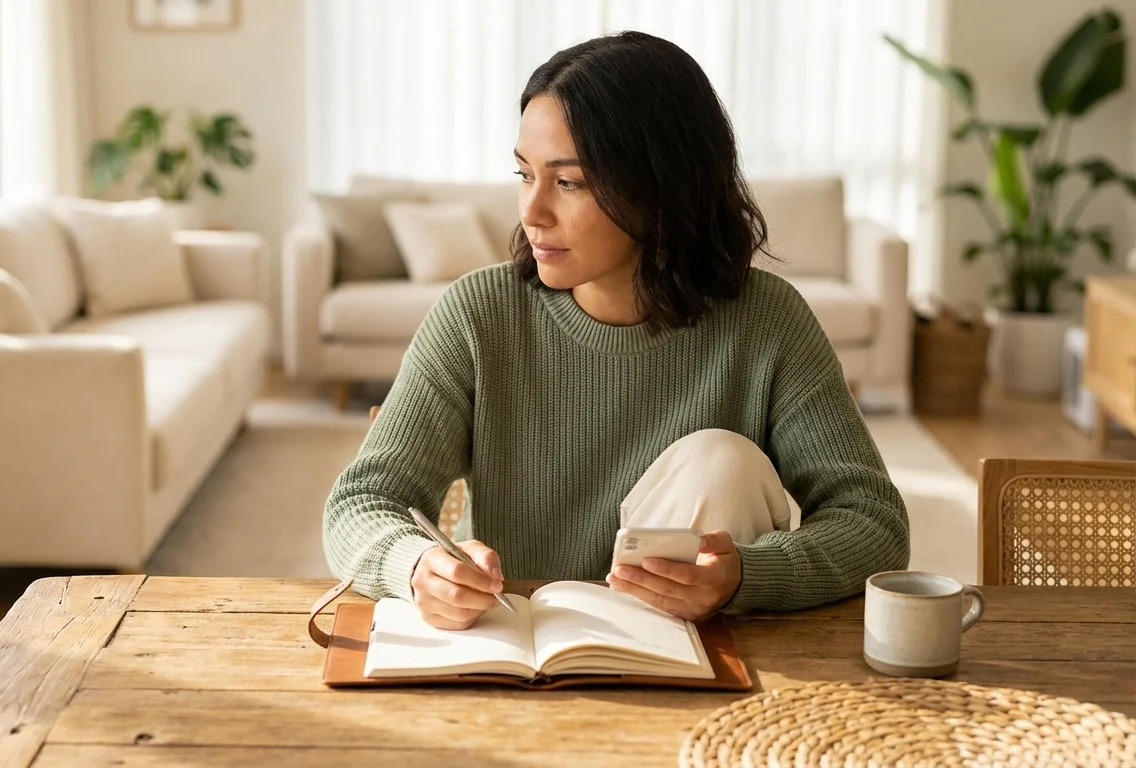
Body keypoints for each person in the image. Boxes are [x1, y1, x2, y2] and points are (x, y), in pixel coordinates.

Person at [322, 31, 909, 630]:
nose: (532, 211)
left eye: (569, 182)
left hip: (689, 659)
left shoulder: (767, 321)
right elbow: (360, 503)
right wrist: (417, 563)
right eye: (525, 174)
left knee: (721, 460)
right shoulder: (478, 313)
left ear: (659, 187)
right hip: (518, 647)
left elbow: (872, 521)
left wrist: (746, 575)